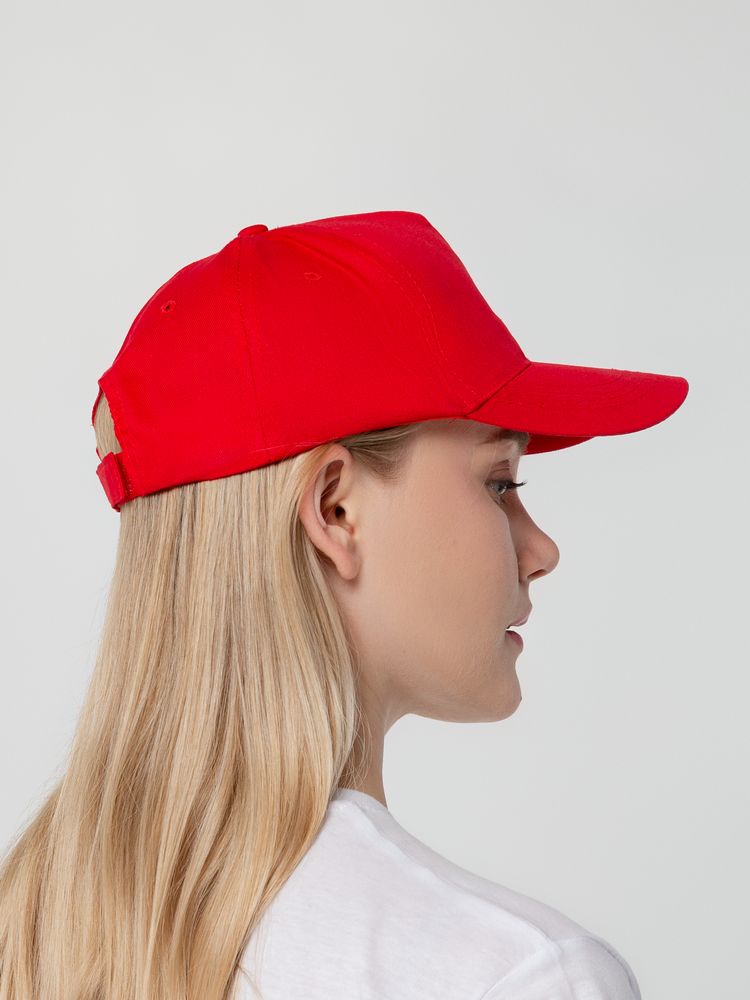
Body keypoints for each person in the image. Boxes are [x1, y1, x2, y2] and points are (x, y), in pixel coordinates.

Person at [0, 210, 688, 1000]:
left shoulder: (29, 933)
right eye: (501, 483)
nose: (541, 550)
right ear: (335, 512)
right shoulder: (517, 975)